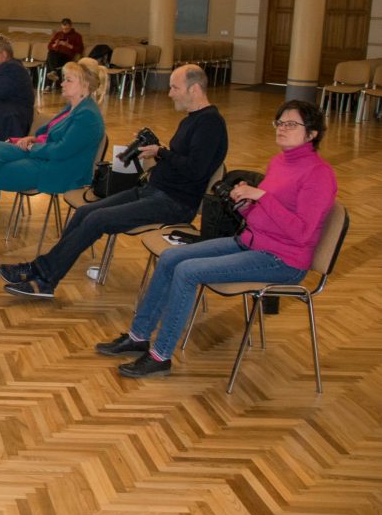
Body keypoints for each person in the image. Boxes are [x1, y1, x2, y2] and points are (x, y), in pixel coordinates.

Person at [96, 100, 337, 378]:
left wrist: (262, 197)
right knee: (170, 257)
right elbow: (263, 215)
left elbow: (301, 232)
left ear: (312, 133)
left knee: (187, 271)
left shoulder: (319, 175)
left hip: (283, 259)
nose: (282, 128)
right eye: (280, 123)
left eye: (291, 124)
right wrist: (244, 203)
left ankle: (160, 355)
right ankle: (138, 336)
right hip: (251, 241)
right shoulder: (279, 162)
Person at [0, 64, 229, 299]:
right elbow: (184, 162)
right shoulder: (192, 120)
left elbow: (195, 170)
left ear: (194, 89)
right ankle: (42, 269)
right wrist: (158, 152)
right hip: (154, 191)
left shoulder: (210, 124)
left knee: (97, 219)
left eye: (175, 88)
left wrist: (161, 152)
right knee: (84, 213)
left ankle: (45, 278)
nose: (169, 93)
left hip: (175, 203)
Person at [0, 58, 107, 204]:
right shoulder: (74, 106)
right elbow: (51, 135)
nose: (62, 84)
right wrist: (33, 139)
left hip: (59, 169)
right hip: (46, 156)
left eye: (68, 80)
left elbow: (61, 150)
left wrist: (32, 147)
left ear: (85, 85)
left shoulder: (88, 115)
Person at [43, 18, 84, 89]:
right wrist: (55, 44)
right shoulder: (58, 34)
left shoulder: (77, 36)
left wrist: (68, 45)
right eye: (63, 29)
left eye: (67, 29)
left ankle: (48, 85)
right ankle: (53, 73)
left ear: (70, 26)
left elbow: (80, 49)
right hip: (55, 55)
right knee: (51, 53)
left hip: (66, 56)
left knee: (49, 60)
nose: (65, 31)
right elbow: (49, 46)